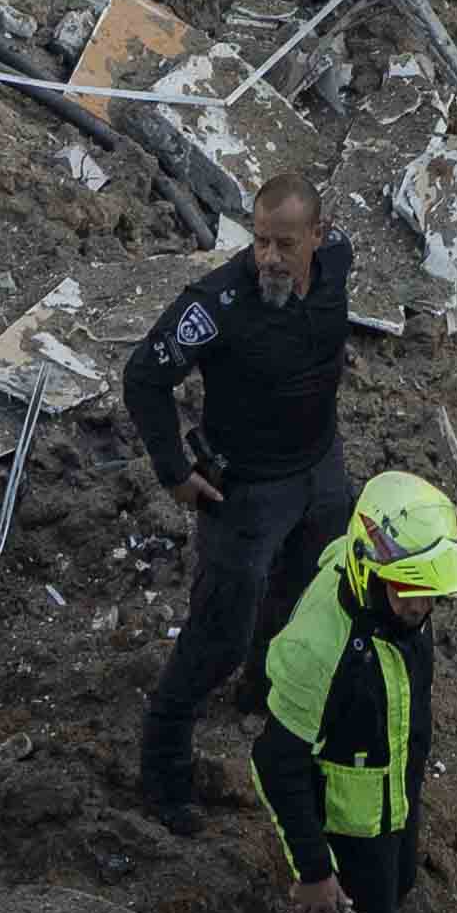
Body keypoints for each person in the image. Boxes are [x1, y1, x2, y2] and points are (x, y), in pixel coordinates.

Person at [114, 171, 365, 821]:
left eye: (285, 244)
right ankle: (164, 767)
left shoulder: (337, 264)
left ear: (319, 235)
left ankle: (262, 689)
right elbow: (143, 377)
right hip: (247, 492)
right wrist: (172, 469)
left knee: (307, 596)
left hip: (320, 471)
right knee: (219, 630)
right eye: (259, 242)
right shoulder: (218, 304)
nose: (269, 259)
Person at [249, 471, 457, 913]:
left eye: (431, 595)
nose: (422, 610)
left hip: (394, 797)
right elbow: (275, 761)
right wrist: (313, 869)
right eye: (410, 593)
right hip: (349, 826)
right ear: (369, 569)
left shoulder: (399, 608)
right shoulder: (317, 646)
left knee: (390, 900)